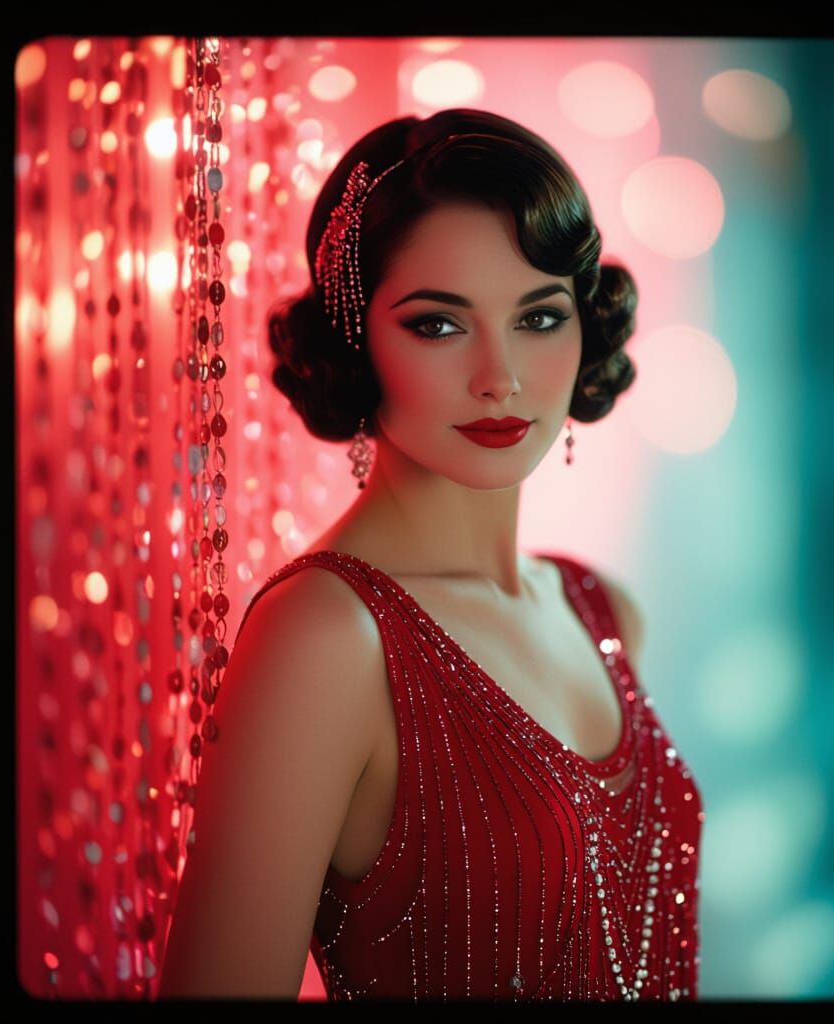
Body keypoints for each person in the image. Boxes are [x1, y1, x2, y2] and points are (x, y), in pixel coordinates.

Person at [157, 107, 703, 1002]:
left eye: (539, 316)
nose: (501, 375)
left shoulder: (602, 609)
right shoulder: (325, 638)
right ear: (354, 340)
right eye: (439, 325)